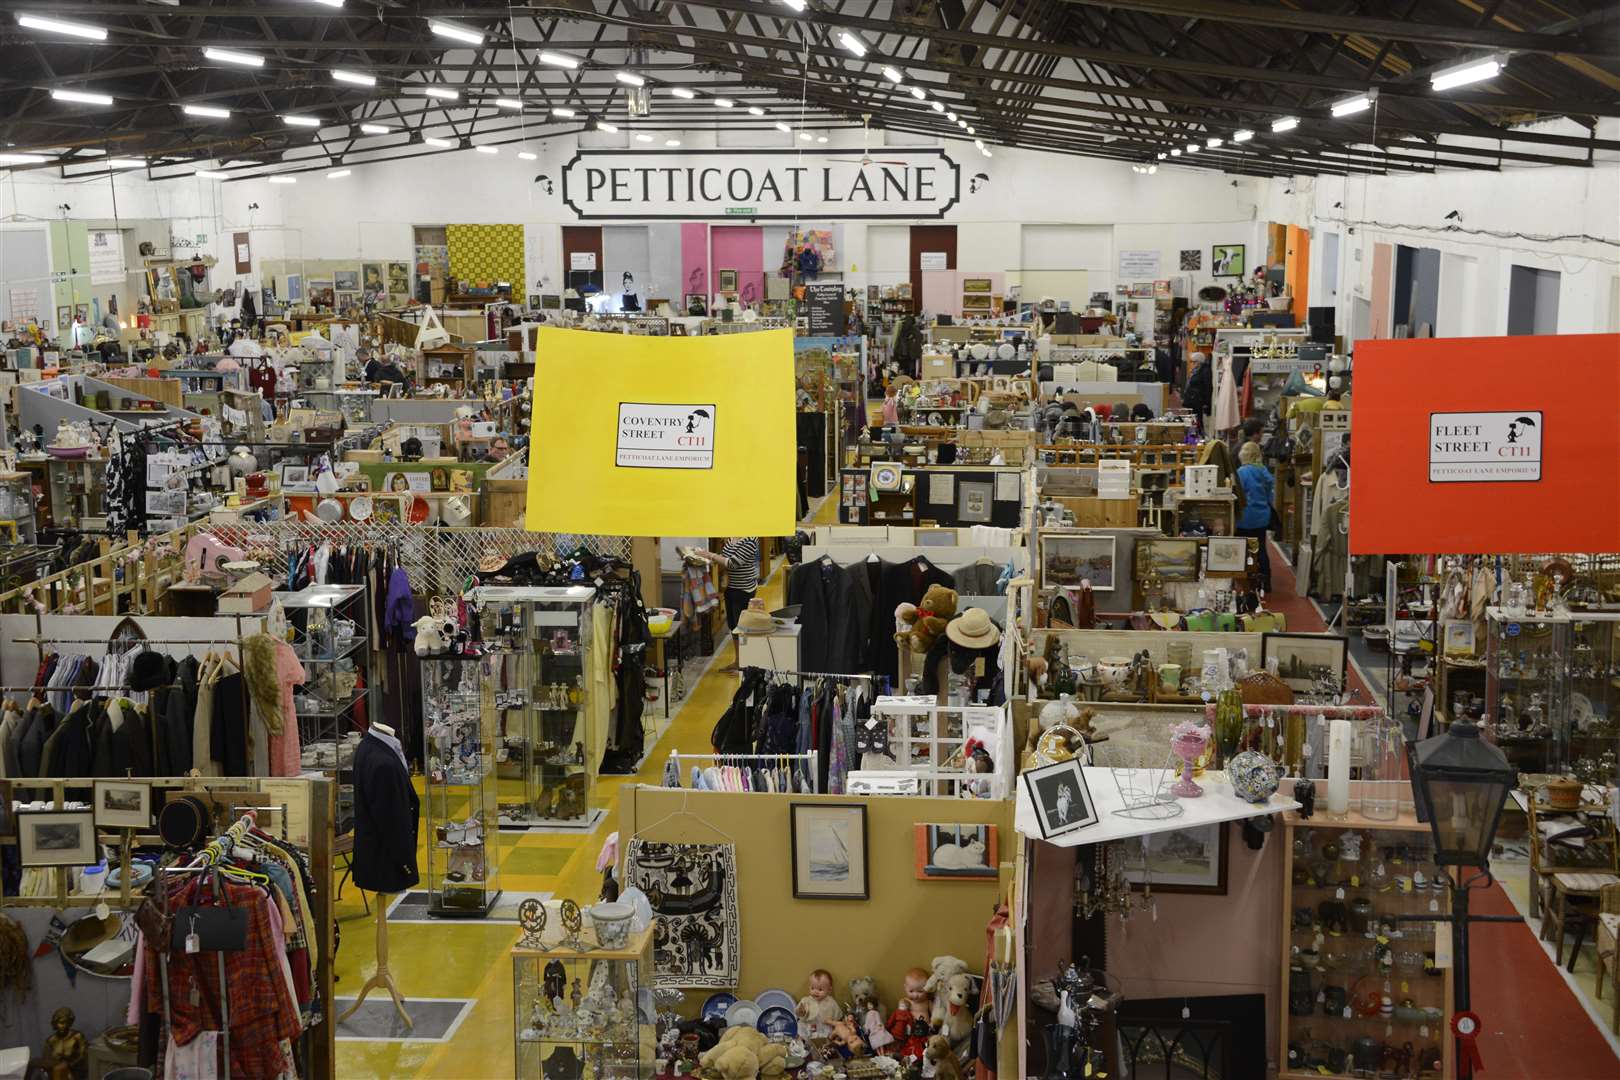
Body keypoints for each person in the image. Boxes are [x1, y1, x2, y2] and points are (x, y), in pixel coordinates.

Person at [1235, 441, 1274, 592]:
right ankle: (1266, 580)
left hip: (1244, 517)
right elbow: (1270, 493)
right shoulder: (1264, 471)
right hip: (1262, 516)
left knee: (1242, 548)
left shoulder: (1242, 472)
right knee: (1261, 549)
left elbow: (1238, 494)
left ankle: (1246, 578)